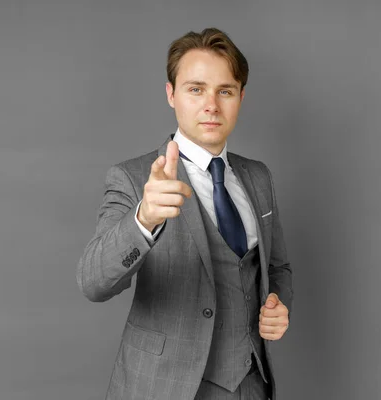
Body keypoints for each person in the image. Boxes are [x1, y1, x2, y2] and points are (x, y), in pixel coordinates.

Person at [77, 27, 293, 400]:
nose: (211, 104)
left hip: (251, 384)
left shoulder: (258, 177)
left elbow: (277, 268)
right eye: (196, 89)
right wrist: (144, 219)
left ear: (241, 97)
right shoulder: (131, 177)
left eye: (224, 91)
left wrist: (278, 303)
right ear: (171, 94)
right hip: (164, 387)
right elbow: (93, 282)